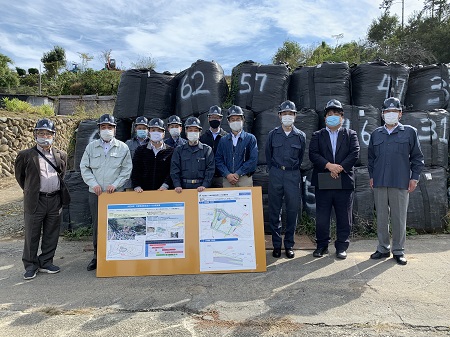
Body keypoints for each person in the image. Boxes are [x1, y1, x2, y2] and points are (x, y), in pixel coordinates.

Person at [368, 97, 424, 265]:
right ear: (382, 114)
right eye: (387, 112)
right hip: (379, 181)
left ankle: (398, 250)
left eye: (394, 111)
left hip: (400, 181)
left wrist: (414, 178)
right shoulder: (376, 133)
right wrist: (372, 176)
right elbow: (371, 158)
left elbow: (417, 158)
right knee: (382, 217)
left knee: (399, 217)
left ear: (400, 114)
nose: (390, 114)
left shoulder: (409, 132)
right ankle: (383, 248)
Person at [14, 118, 70, 280]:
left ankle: (46, 262)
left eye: (48, 133)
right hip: (35, 199)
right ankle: (30, 265)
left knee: (52, 232)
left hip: (54, 199)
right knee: (32, 233)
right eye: (41, 132)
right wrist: (31, 190)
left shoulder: (61, 155)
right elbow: (21, 177)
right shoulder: (25, 155)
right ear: (35, 134)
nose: (44, 136)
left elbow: (62, 174)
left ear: (53, 135)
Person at [80, 114, 132, 271]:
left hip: (115, 194)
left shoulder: (123, 148)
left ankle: (118, 255)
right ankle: (97, 257)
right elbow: (84, 167)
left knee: (117, 226)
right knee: (98, 225)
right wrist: (93, 184)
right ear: (99, 129)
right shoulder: (91, 147)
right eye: (103, 127)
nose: (107, 130)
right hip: (96, 194)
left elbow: (126, 169)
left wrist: (115, 185)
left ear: (115, 129)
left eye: (110, 127)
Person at [309, 99, 360, 260]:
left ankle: (342, 246)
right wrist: (329, 166)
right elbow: (313, 154)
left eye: (336, 114)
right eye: (329, 114)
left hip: (344, 181)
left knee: (344, 216)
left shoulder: (350, 134)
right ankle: (322, 245)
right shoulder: (317, 135)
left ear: (342, 118)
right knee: (322, 216)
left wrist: (339, 167)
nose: (332, 117)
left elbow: (355, 153)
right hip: (324, 181)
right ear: (325, 118)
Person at [265, 100, 306, 259]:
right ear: (279, 116)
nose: (287, 116)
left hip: (292, 174)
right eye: (284, 114)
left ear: (295, 116)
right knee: (275, 210)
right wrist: (274, 170)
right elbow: (268, 155)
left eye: (290, 113)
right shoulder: (272, 134)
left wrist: (292, 170)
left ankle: (289, 244)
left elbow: (301, 156)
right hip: (276, 173)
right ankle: (276, 245)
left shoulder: (300, 136)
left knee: (292, 210)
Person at [215, 105, 258, 187]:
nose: (235, 122)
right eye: (232, 120)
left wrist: (238, 173)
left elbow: (253, 160)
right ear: (228, 121)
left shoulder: (250, 139)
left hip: (245, 179)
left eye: (238, 119)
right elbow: (218, 160)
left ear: (243, 120)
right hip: (228, 180)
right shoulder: (223, 140)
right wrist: (227, 174)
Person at [170, 116, 215, 193]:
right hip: (183, 189)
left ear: (200, 132)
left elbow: (210, 169)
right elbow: (174, 169)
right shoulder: (179, 150)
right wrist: (177, 185)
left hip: (201, 188)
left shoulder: (207, 150)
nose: (192, 132)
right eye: (190, 130)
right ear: (186, 132)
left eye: (195, 130)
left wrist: (205, 185)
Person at [131, 118, 174, 192]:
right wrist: (137, 186)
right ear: (149, 132)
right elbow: (135, 170)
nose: (156, 133)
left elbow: (172, 171)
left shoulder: (171, 151)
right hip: (143, 192)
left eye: (159, 131)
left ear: (163, 133)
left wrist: (165, 185)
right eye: (153, 130)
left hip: (164, 191)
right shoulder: (140, 150)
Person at [199, 105, 228, 188]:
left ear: (221, 119)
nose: (214, 119)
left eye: (217, 117)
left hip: (222, 177)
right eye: (212, 117)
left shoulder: (226, 137)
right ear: (208, 119)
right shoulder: (202, 138)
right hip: (206, 178)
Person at [124, 116, 149, 189]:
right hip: (130, 183)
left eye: (144, 128)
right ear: (135, 129)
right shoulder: (128, 144)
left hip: (147, 183)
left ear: (148, 129)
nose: (142, 130)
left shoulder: (152, 143)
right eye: (139, 128)